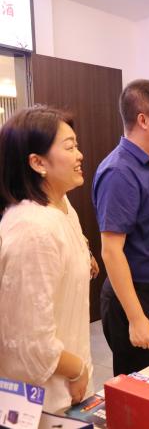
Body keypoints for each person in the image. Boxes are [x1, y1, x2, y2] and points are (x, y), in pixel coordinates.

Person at [0, 107, 95, 411]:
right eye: (69, 147)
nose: (80, 155)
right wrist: (77, 370)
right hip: (45, 397)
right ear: (37, 162)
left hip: (72, 379)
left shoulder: (62, 205)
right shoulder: (33, 228)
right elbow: (30, 340)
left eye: (76, 145)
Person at [93, 79, 149, 376]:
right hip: (136, 299)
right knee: (139, 389)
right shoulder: (119, 172)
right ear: (143, 120)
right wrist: (136, 318)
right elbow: (111, 251)